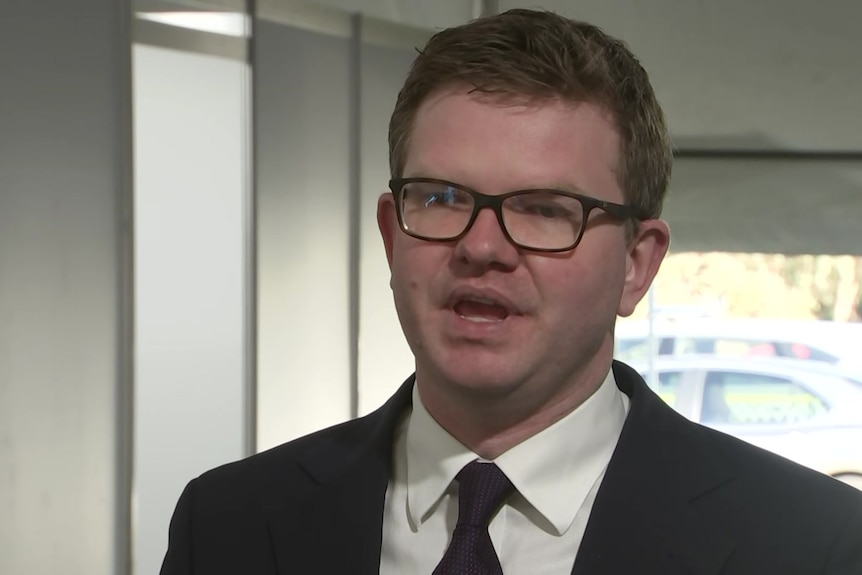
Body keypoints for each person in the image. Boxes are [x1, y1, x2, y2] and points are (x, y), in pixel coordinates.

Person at [160, 9, 862, 575]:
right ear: (389, 232)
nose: (482, 246)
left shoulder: (812, 543)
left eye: (545, 209)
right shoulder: (229, 523)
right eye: (440, 197)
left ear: (636, 265)